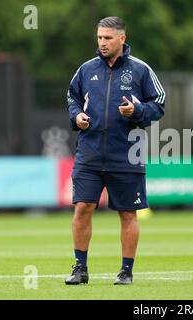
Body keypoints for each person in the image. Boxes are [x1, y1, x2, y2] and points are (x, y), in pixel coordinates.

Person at [65, 16, 165, 286]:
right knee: (83, 207)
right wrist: (77, 118)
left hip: (126, 153)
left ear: (122, 38)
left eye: (108, 38)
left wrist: (137, 111)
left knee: (127, 213)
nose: (102, 43)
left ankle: (126, 271)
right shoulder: (86, 70)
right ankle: (80, 268)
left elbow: (159, 104)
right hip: (89, 152)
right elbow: (72, 99)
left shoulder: (141, 70)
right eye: (99, 37)